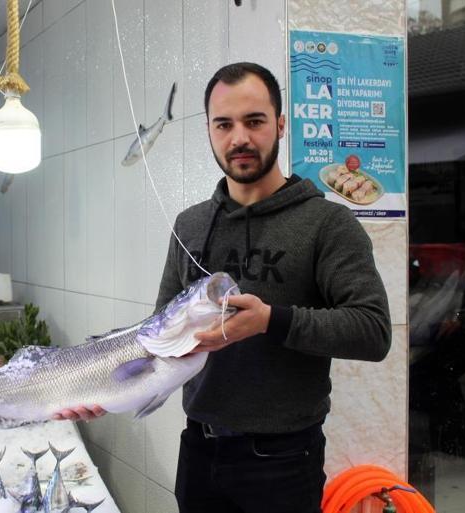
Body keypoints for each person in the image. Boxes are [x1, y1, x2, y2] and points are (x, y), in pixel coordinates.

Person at [55, 63, 392, 513]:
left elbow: (373, 331)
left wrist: (271, 321)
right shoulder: (190, 225)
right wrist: (102, 390)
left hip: (284, 459)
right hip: (199, 448)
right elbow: (156, 338)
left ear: (281, 124)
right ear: (210, 130)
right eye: (224, 124)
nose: (239, 139)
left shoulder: (328, 224)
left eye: (254, 121)